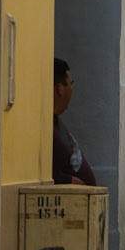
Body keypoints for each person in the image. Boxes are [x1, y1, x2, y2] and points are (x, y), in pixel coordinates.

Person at [52, 58, 98, 187]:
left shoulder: (55, 122)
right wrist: (70, 181)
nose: (72, 90)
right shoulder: (46, 129)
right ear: (60, 89)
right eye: (70, 84)